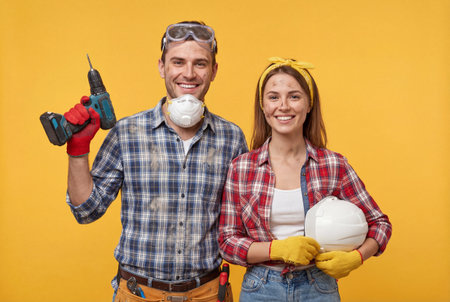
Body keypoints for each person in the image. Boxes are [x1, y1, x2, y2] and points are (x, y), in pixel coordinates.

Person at [64, 21, 248, 302]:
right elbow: (86, 211)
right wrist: (78, 150)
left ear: (213, 71)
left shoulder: (231, 138)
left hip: (209, 293)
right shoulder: (127, 132)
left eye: (200, 63)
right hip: (139, 294)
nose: (189, 73)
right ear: (162, 67)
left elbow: (245, 220)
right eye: (178, 62)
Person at [218, 57, 392, 301]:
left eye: (294, 96)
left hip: (318, 286)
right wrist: (276, 249)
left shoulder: (333, 165)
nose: (284, 106)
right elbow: (227, 241)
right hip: (261, 288)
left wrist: (357, 257)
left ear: (309, 104)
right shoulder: (242, 168)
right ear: (263, 106)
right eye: (273, 97)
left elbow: (380, 224)